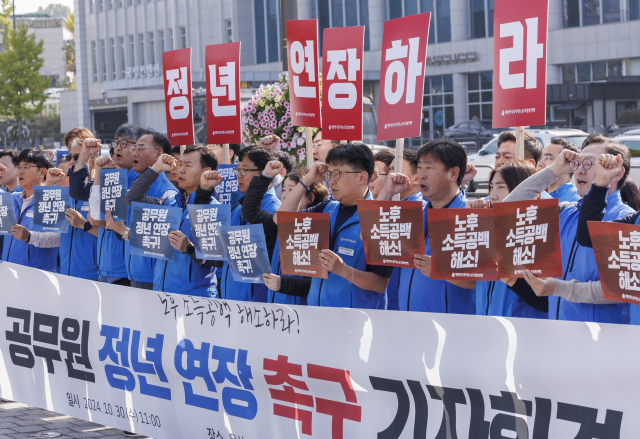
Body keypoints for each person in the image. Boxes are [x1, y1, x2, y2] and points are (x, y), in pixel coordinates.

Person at [502, 135, 634, 323]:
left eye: (590, 164)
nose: (580, 170)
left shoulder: (626, 219)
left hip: (603, 338)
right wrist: (554, 170)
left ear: (617, 172)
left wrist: (560, 288)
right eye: (578, 162)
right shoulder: (566, 212)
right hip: (559, 331)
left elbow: (622, 288)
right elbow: (509, 208)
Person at [275, 142, 391, 308]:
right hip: (317, 314)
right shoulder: (327, 208)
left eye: (337, 174)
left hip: (354, 323)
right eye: (329, 174)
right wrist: (308, 179)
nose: (331, 181)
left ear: (362, 177)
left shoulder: (379, 217)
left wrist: (344, 270)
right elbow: (281, 219)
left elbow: (380, 283)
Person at [378, 139, 475, 314]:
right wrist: (387, 192)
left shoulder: (469, 216)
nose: (422, 174)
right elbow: (370, 238)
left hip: (451, 329)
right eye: (420, 167)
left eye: (429, 168)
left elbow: (481, 280)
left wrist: (441, 270)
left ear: (453, 174)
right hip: (410, 323)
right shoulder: (413, 214)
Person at [124, 146, 222, 295]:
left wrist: (188, 248)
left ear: (206, 171)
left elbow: (216, 261)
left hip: (195, 298)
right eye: (180, 164)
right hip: (161, 293)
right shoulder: (169, 202)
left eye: (188, 165)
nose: (181, 170)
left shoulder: (213, 208)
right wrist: (156, 168)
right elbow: (131, 198)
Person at [92, 128, 178, 290]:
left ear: (159, 154)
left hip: (153, 278)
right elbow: (96, 215)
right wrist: (100, 173)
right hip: (132, 274)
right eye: (134, 148)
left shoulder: (167, 192)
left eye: (140, 148)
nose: (135, 153)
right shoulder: (133, 188)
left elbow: (161, 243)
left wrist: (124, 232)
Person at [468, 161, 548, 319]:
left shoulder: (539, 233)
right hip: (487, 327)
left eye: (500, 187)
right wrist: (472, 222)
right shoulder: (488, 227)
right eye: (491, 187)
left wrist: (514, 282)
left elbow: (548, 300)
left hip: (522, 333)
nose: (493, 195)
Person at [68, 123, 143, 286]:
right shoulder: (111, 179)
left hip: (126, 270)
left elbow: (122, 228)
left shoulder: (140, 184)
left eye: (124, 144)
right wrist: (85, 156)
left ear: (139, 149)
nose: (118, 148)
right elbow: (77, 192)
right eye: (116, 143)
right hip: (105, 269)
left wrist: (96, 223)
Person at [242, 164, 328, 305]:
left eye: (292, 190)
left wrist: (283, 284)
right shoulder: (279, 224)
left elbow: (317, 285)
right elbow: (251, 212)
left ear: (311, 197)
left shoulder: (321, 228)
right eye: (283, 190)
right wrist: (265, 177)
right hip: (277, 311)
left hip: (304, 314)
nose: (285, 195)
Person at [214, 146, 281, 301]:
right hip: (231, 301)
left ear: (265, 172)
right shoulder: (237, 210)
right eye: (237, 170)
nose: (239, 176)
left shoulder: (274, 210)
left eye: (244, 170)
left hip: (257, 307)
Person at [45, 130, 100, 280]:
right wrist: (49, 184)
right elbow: (46, 228)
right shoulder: (64, 192)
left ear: (93, 160)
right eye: (70, 157)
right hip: (64, 272)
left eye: (77, 156)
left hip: (95, 276)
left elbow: (115, 235)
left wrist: (85, 225)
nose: (71, 161)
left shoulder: (100, 190)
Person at [2, 150, 59, 271]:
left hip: (37, 275)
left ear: (42, 172)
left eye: (26, 166)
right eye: (19, 167)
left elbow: (57, 239)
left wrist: (29, 236)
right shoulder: (12, 198)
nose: (20, 171)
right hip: (9, 271)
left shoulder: (52, 198)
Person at [537, 137, 581, 203]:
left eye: (548, 158)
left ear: (569, 164)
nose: (540, 163)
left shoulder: (574, 201)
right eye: (540, 157)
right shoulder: (538, 194)